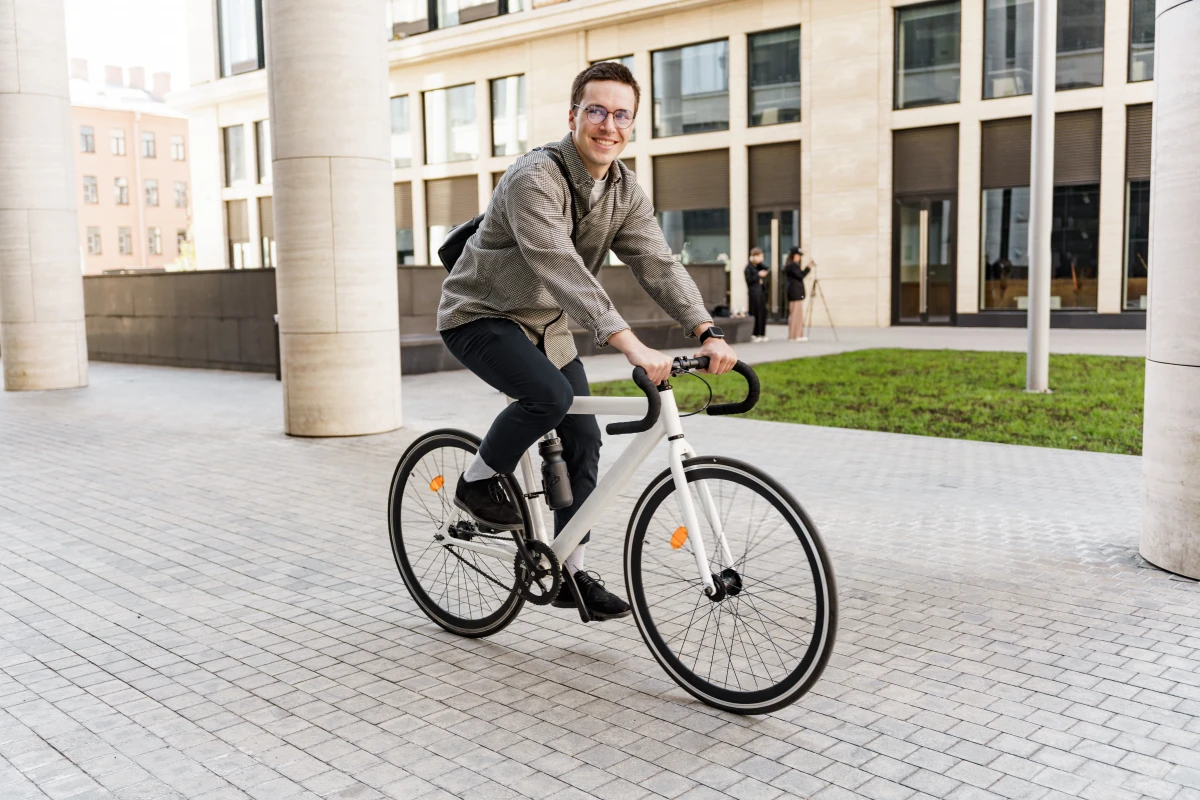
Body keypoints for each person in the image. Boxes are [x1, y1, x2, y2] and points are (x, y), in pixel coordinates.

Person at [436, 62, 739, 621]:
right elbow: (561, 268)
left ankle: (569, 570)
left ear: (632, 125)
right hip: (480, 315)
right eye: (596, 111)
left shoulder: (623, 189)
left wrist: (706, 329)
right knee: (548, 398)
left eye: (622, 115)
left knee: (583, 437)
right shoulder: (535, 178)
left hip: (546, 329)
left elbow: (657, 262)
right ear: (573, 116)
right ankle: (477, 483)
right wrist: (632, 346)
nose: (609, 125)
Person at [785, 247, 812, 342]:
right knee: (795, 315)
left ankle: (798, 334)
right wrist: (808, 268)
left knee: (797, 315)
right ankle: (794, 335)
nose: (799, 257)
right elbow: (800, 275)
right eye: (798, 255)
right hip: (794, 293)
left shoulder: (792, 265)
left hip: (796, 293)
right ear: (793, 255)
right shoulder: (791, 266)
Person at [743, 248, 769, 342]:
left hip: (761, 292)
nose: (762, 258)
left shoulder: (758, 266)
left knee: (762, 312)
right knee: (755, 313)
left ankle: (762, 333)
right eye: (760, 256)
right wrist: (758, 275)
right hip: (754, 293)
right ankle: (754, 333)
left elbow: (766, 268)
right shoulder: (748, 268)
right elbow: (749, 280)